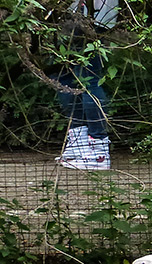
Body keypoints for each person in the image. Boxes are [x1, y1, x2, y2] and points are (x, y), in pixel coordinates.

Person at [54, 0, 118, 171]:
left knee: (88, 79)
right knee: (63, 78)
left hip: (93, 18)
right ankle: (79, 143)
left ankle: (98, 149)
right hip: (62, 18)